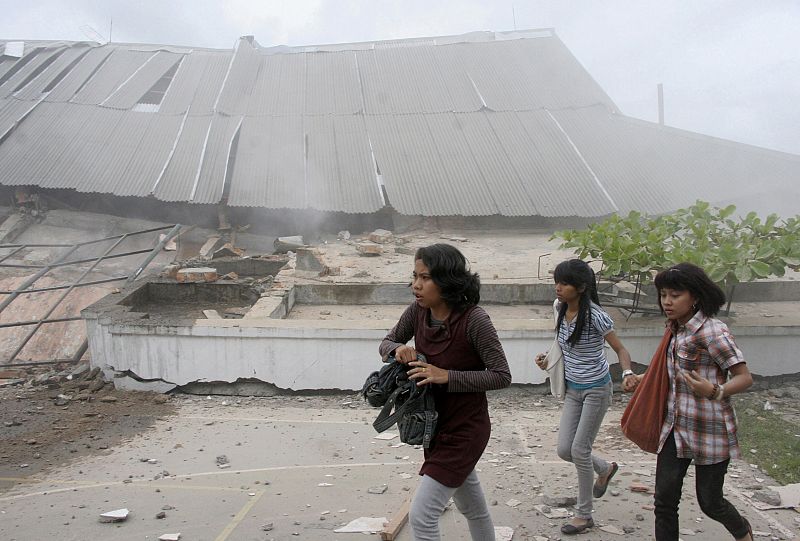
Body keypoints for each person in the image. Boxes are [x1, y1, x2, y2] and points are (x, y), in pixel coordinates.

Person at [379, 243, 512, 541]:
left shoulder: (475, 320)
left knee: (423, 516)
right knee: (473, 509)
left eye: (425, 278)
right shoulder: (417, 312)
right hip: (434, 428)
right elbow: (386, 343)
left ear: (447, 280)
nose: (416, 285)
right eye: (414, 276)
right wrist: (398, 348)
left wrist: (446, 376)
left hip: (465, 431)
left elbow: (502, 375)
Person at [626, 263, 754, 541]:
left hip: (709, 430)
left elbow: (745, 377)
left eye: (675, 295)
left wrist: (715, 390)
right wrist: (643, 377)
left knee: (710, 502)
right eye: (663, 295)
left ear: (694, 297)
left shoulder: (713, 332)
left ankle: (743, 531)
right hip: (674, 428)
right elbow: (671, 368)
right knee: (664, 501)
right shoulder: (675, 329)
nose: (667, 302)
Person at [534, 258, 635, 535]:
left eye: (564, 283)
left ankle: (584, 514)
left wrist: (626, 373)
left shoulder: (596, 316)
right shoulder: (559, 308)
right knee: (565, 449)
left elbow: (621, 349)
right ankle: (605, 468)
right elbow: (563, 346)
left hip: (597, 390)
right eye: (557, 281)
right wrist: (545, 360)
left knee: (580, 450)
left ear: (580, 287)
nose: (558, 287)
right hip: (573, 389)